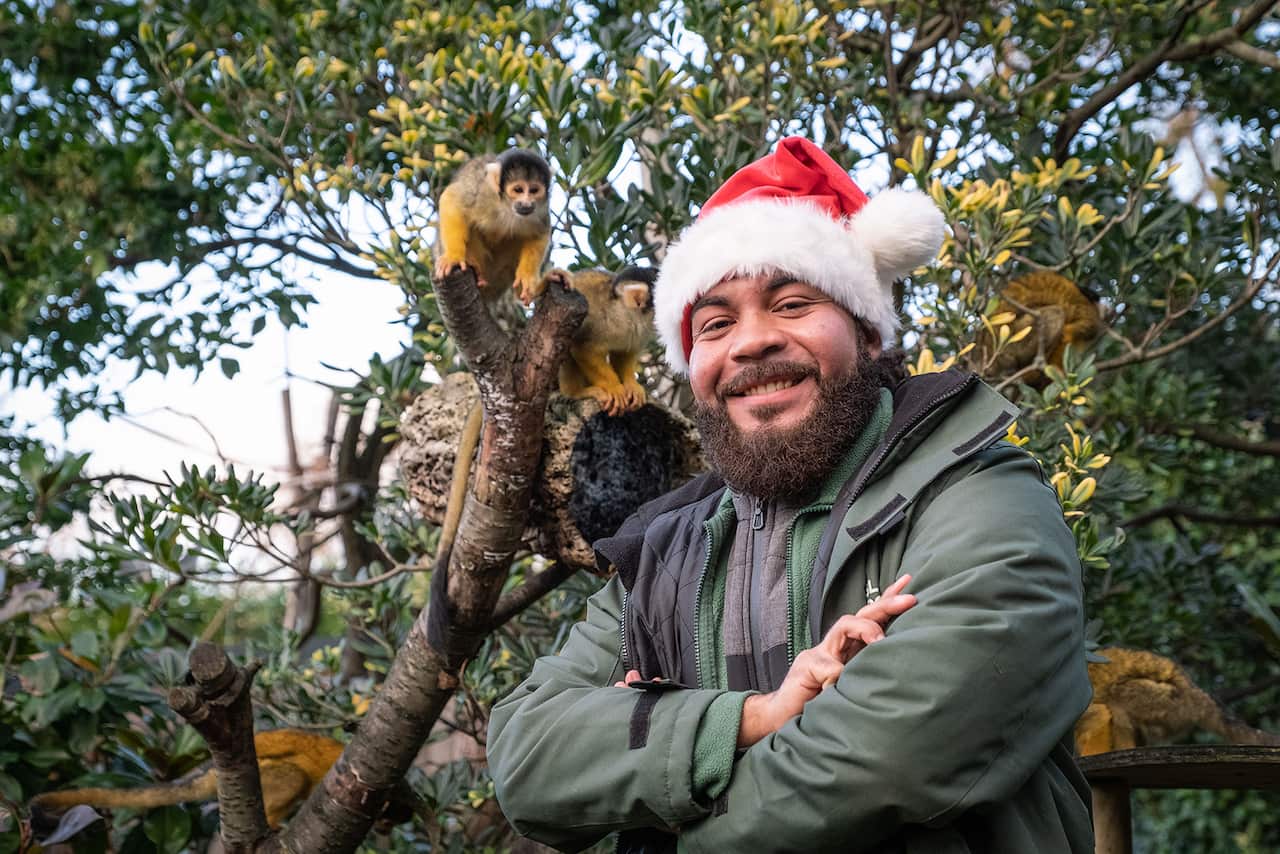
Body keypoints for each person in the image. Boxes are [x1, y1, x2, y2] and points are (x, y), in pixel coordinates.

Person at [486, 137, 1093, 853]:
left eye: (793, 301)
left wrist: (655, 765)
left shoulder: (979, 497)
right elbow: (527, 757)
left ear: (868, 333)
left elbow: (886, 759)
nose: (750, 343)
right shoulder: (664, 555)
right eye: (714, 323)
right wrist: (752, 718)